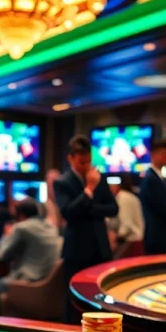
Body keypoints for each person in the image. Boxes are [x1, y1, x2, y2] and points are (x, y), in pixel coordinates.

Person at [54, 136, 118, 321]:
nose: (86, 166)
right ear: (71, 159)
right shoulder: (63, 182)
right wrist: (89, 189)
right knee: (74, 301)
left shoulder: (99, 177)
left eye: (89, 161)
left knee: (102, 297)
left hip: (100, 247)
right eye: (82, 162)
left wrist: (88, 209)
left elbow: (113, 208)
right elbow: (68, 213)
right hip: (77, 250)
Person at [0, 198, 61, 302]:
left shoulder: (22, 227)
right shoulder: (51, 227)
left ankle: (9, 312)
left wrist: (7, 234)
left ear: (21, 215)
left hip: (29, 280)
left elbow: (3, 254)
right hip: (50, 282)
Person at [140, 141, 166, 255]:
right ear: (153, 155)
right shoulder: (151, 179)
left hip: (165, 236)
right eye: (164, 154)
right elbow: (163, 208)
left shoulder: (161, 178)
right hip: (158, 237)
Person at [107, 173, 144, 250]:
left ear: (118, 185)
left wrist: (116, 237)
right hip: (137, 240)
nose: (110, 188)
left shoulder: (122, 197)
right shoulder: (132, 197)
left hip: (130, 242)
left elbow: (126, 224)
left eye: (112, 185)